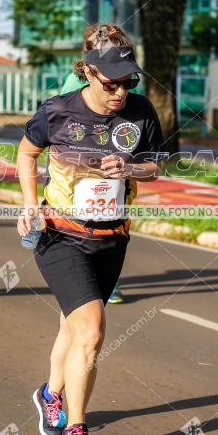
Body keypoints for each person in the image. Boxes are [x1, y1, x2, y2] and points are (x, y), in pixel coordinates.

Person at [18, 24, 164, 435]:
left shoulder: (140, 111)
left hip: (112, 237)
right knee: (93, 330)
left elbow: (157, 165)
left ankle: (49, 393)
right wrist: (30, 203)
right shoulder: (57, 111)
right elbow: (27, 152)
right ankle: (77, 430)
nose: (121, 91)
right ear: (87, 71)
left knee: (73, 327)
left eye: (129, 80)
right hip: (61, 233)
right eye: (112, 81)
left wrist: (131, 168)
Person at [57, 26, 133, 305]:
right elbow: (59, 129)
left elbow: (130, 117)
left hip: (114, 166)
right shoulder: (70, 85)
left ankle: (108, 281)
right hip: (78, 167)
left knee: (111, 220)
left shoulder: (124, 80)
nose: (119, 89)